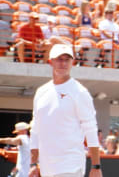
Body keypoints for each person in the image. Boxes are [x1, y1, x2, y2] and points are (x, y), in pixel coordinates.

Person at [29, 44, 102, 177]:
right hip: (46, 167)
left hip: (70, 166)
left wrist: (96, 166)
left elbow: (90, 129)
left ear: (72, 62)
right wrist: (33, 164)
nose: (63, 63)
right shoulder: (41, 92)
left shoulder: (80, 92)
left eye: (67, 59)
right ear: (50, 62)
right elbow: (35, 129)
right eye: (59, 59)